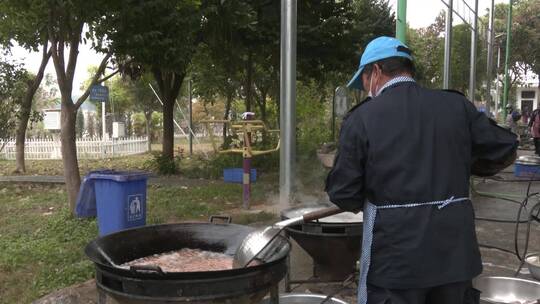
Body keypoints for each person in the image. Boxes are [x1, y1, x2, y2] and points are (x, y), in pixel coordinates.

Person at [325, 36, 518, 304]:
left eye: (365, 81)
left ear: (377, 71)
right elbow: (505, 148)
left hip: (396, 265)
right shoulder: (456, 106)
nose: (366, 89)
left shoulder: (363, 118)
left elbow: (343, 193)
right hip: (455, 259)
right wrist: (461, 164)